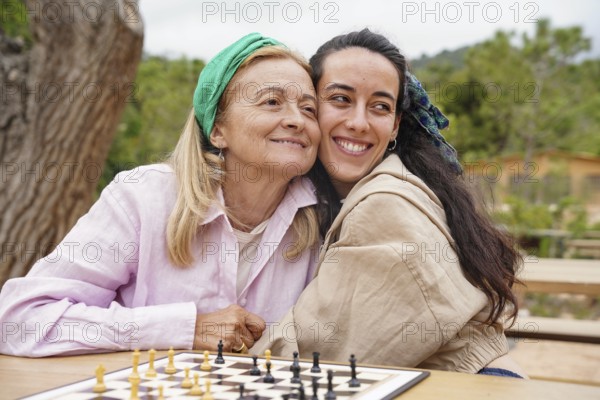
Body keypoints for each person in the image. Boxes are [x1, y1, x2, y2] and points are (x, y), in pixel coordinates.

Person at [0, 33, 322, 357]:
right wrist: (183, 329)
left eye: (309, 109)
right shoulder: (143, 198)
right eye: (271, 102)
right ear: (217, 130)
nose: (297, 120)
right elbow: (21, 321)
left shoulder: (326, 219)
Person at [253, 29, 526, 377]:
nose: (358, 122)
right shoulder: (322, 197)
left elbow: (316, 355)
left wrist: (223, 350)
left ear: (395, 125)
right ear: (311, 107)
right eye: (340, 99)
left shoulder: (386, 203)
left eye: (380, 106)